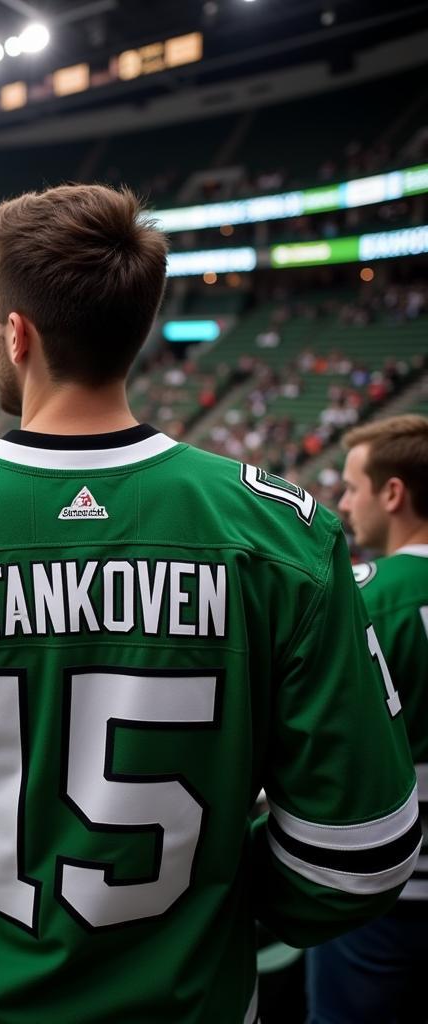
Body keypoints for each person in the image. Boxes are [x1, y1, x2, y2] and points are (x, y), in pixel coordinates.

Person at [0, 184, 420, 1024]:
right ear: (138, 329)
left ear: (18, 334)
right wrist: (213, 905)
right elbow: (362, 852)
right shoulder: (288, 536)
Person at [306, 414, 428, 1022]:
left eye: (353, 488)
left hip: (383, 897)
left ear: (394, 493)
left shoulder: (370, 593)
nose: (345, 504)